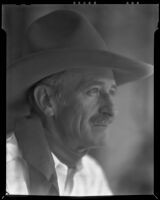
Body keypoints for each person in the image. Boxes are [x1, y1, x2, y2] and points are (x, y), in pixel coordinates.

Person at [6, 9, 153, 196]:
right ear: (46, 100)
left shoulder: (91, 174)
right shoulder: (8, 171)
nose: (111, 110)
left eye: (112, 91)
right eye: (93, 91)